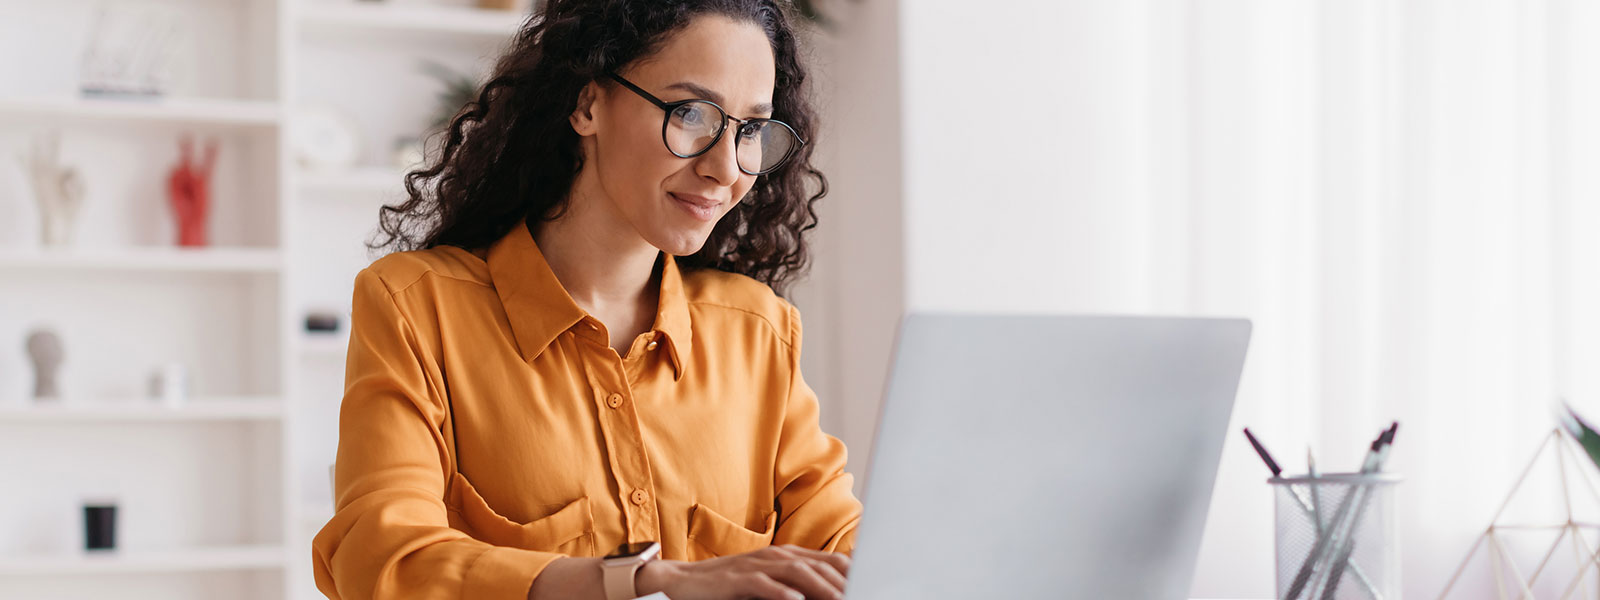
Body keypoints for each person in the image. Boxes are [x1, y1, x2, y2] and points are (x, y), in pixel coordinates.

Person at [310, 1, 862, 599]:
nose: (725, 167)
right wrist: (643, 581)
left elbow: (842, 550)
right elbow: (382, 558)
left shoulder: (757, 330)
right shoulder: (417, 307)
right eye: (692, 114)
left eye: (750, 129)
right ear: (589, 104)